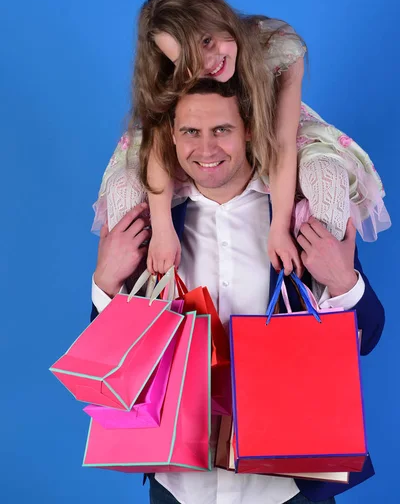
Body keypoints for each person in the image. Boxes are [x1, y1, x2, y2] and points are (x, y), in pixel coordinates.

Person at [92, 79, 385, 504]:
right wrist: (104, 282)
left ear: (248, 128)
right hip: (178, 486)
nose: (206, 148)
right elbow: (110, 362)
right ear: (172, 135)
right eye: (191, 131)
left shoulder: (300, 215)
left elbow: (369, 337)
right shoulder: (153, 227)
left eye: (221, 130)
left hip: (288, 488)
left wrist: (343, 282)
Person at [92, 0, 391, 279]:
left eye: (207, 41)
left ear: (220, 17)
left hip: (271, 131)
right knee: (125, 184)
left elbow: (284, 144)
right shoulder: (169, 78)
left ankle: (321, 296)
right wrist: (162, 230)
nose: (207, 63)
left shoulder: (278, 46)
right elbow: (158, 149)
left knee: (325, 174)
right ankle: (135, 303)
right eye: (187, 60)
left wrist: (279, 228)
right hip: (196, 138)